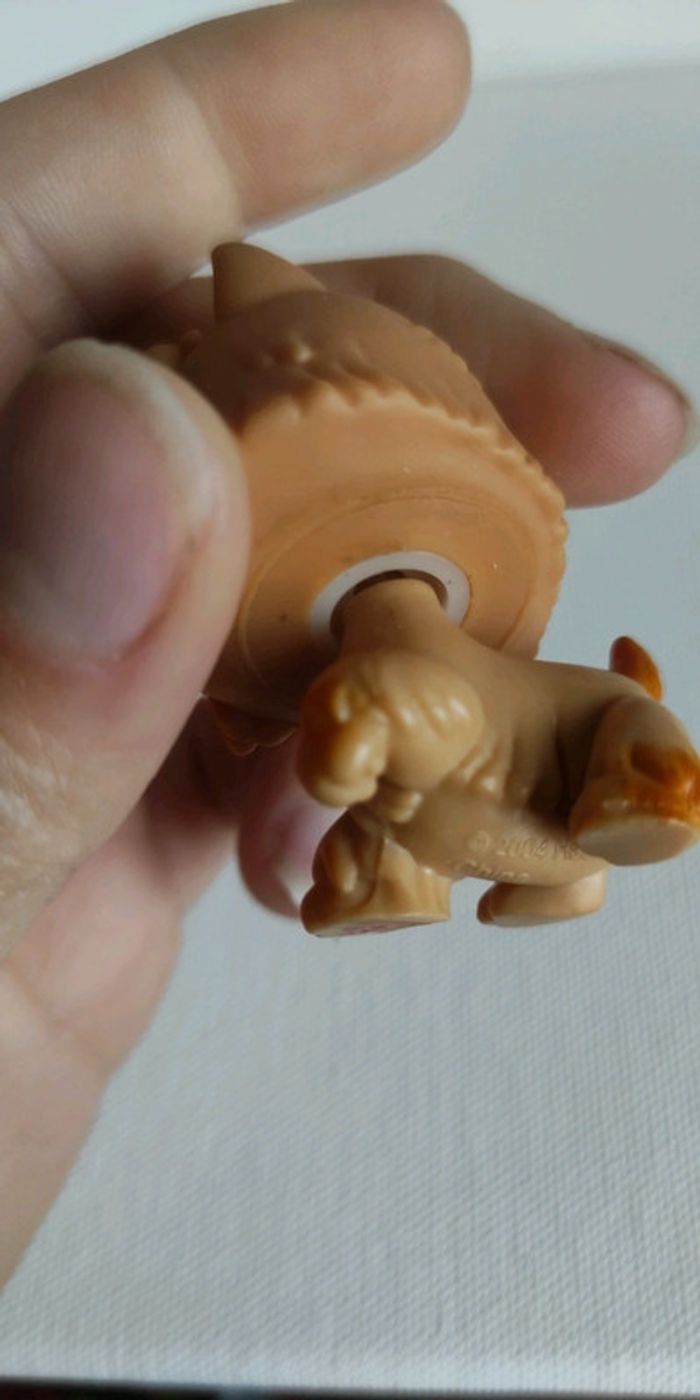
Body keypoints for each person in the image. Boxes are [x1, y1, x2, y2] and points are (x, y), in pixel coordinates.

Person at [0, 0, 695, 1289]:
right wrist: (365, 730)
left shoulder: (524, 760)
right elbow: (405, 705)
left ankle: (397, 869)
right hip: (314, 508)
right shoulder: (445, 685)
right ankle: (393, 850)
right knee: (398, 757)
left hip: (384, 712)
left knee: (412, 815)